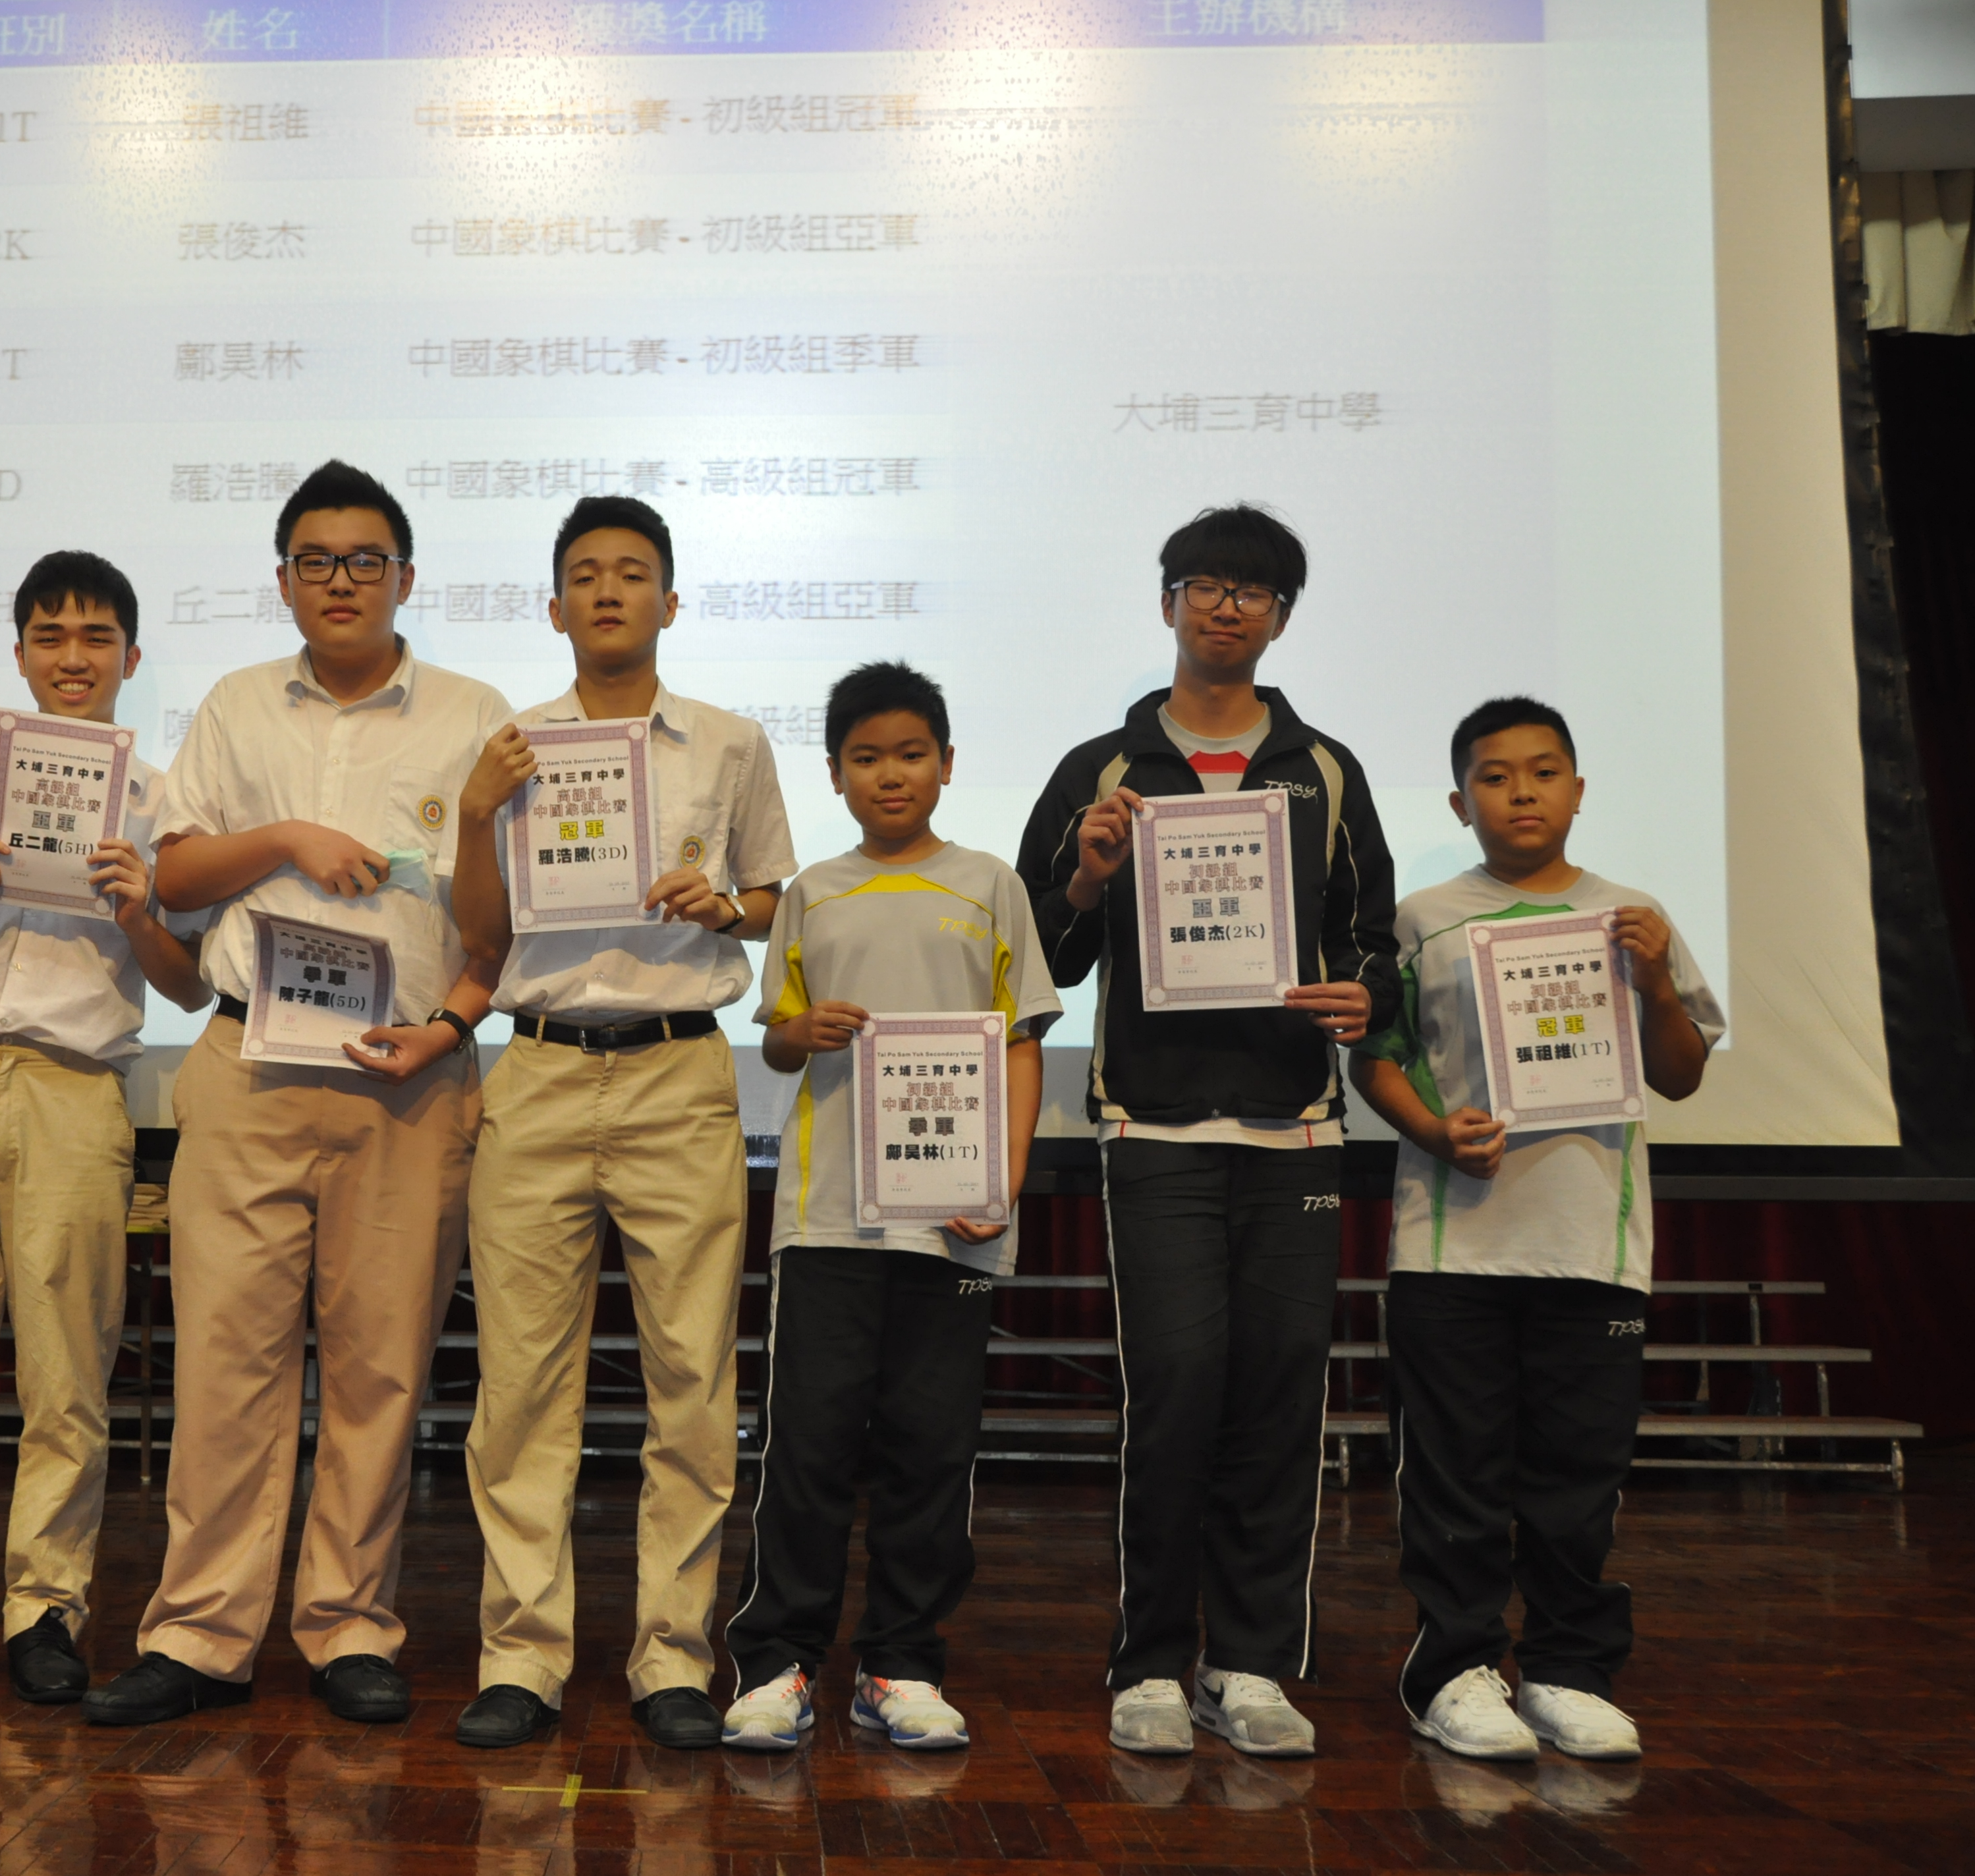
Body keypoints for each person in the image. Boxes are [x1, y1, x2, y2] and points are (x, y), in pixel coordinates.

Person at [81, 461, 509, 1728]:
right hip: (251, 1069)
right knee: (226, 1362)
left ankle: (349, 1624)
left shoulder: (474, 715)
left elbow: (499, 921)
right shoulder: (234, 705)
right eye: (315, 561)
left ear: (405, 577)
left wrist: (449, 1028)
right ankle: (199, 1633)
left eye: (364, 560)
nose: (340, 580)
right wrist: (285, 839)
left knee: (380, 1368)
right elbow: (174, 879)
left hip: (404, 1080)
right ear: (282, 579)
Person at [1014, 505, 1398, 1759]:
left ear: (1281, 617)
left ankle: (1248, 1661)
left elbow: (1371, 943)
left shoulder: (1322, 769)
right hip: (1154, 1127)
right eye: (1205, 584)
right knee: (1174, 1389)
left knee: (1277, 1397)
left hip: (1294, 1128)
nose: (1226, 605)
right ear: (1167, 601)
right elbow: (1035, 949)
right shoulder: (1102, 769)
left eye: (1252, 590)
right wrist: (1087, 874)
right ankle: (1147, 1660)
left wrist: (1363, 998)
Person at [447, 496, 796, 1752]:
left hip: (675, 1070)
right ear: (553, 608)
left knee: (691, 1378)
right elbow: (477, 931)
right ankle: (520, 1655)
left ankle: (671, 1655)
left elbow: (771, 898)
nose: (607, 591)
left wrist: (725, 905)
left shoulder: (729, 742)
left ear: (670, 601)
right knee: (518, 1383)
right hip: (539, 1068)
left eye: (632, 573)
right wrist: (477, 811)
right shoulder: (510, 747)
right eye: (585, 574)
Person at [0, 550, 209, 1707]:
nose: (73, 657)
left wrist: (139, 910)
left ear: (131, 656)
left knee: (67, 1369)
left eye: (96, 637)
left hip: (73, 1087)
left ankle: (46, 1607)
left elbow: (192, 984)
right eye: (51, 636)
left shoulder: (160, 804)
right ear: (17, 652)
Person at [1351, 696, 1719, 1765]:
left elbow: (1681, 1074)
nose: (1522, 792)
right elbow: (1373, 1058)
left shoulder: (1632, 915)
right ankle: (1453, 1671)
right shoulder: (1423, 919)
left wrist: (1655, 980)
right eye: (1496, 776)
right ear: (1458, 800)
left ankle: (1566, 1670)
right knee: (1452, 1475)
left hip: (1591, 1244)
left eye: (1544, 771)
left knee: (1576, 1477)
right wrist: (1434, 1129)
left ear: (1578, 789)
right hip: (1451, 1245)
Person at [721, 660, 1055, 1755]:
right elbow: (779, 1039)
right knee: (808, 1448)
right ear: (834, 774)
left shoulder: (990, 884)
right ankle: (777, 1662)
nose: (890, 773)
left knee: (930, 1449)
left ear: (947, 764)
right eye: (865, 757)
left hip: (954, 1220)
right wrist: (799, 1031)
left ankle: (901, 1663)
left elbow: (1019, 1041)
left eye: (911, 753)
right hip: (827, 1220)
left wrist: (1003, 1179)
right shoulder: (813, 890)